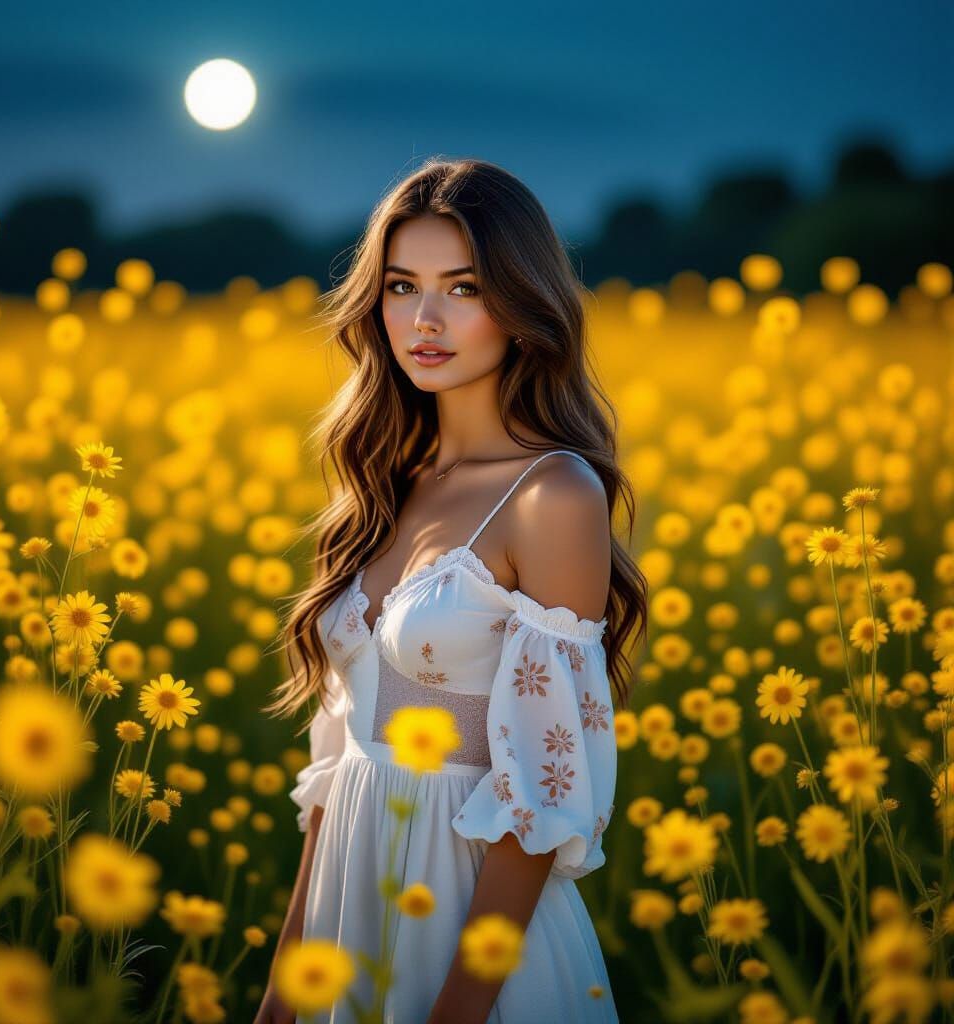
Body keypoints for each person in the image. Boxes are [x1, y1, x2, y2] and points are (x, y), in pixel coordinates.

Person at [254, 157, 647, 1024]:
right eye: (401, 286)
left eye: (462, 288)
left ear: (521, 302)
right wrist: (282, 998)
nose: (423, 319)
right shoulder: (386, 482)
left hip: (476, 945)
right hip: (350, 914)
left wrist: (456, 1010)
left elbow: (541, 798)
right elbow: (337, 777)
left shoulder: (552, 494)